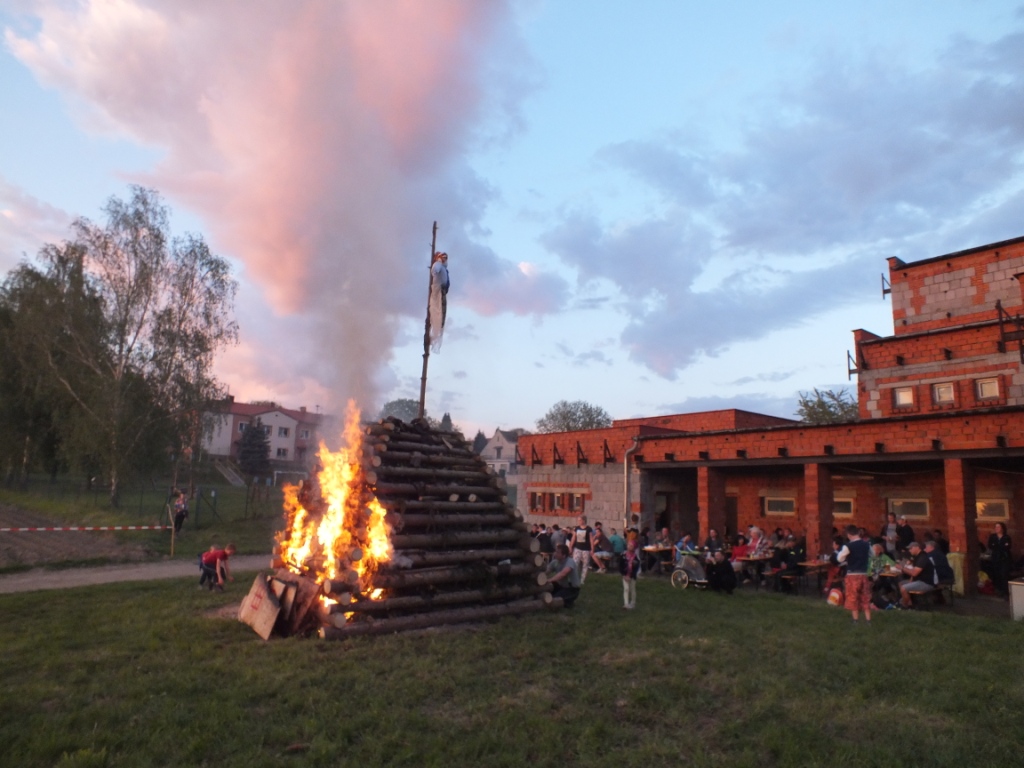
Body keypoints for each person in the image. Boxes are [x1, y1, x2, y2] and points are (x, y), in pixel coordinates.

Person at [837, 525, 872, 625]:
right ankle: (868, 620)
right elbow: (872, 555)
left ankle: (855, 620)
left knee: (853, 597)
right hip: (863, 574)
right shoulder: (867, 544)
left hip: (852, 575)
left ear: (849, 535)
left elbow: (839, 559)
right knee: (865, 597)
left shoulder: (848, 546)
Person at [897, 542, 934, 609]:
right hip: (919, 580)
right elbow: (914, 572)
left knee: (904, 588)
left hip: (925, 582)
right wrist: (911, 580)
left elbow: (914, 573)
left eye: (911, 548)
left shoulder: (922, 557)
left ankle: (904, 606)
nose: (909, 550)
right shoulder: (917, 557)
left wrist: (902, 568)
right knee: (901, 583)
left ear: (917, 547)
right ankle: (910, 604)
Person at [987, 522, 1012, 598]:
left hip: (1004, 558)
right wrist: (999, 546)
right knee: (996, 574)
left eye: (998, 527)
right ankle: (999, 590)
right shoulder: (993, 537)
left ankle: (1005, 591)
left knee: (1004, 574)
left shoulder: (1006, 537)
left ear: (1002, 528)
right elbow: (991, 545)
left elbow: (1007, 547)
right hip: (995, 558)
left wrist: (999, 546)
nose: (996, 528)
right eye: (995, 527)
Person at [570, 515, 594, 584]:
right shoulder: (577, 528)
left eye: (580, 520)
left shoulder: (588, 529)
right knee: (575, 563)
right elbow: (573, 537)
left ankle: (582, 580)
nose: (579, 521)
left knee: (585, 564)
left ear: (584, 520)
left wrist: (592, 549)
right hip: (577, 548)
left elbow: (591, 539)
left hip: (586, 549)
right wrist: (570, 546)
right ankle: (575, 578)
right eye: (578, 520)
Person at [619, 539, 641, 609]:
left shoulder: (635, 558)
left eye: (631, 546)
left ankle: (633, 602)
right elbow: (620, 566)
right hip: (625, 575)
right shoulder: (623, 556)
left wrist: (631, 576)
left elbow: (636, 569)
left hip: (632, 576)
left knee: (632, 589)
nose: (629, 547)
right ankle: (626, 603)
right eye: (628, 545)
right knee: (626, 589)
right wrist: (623, 575)